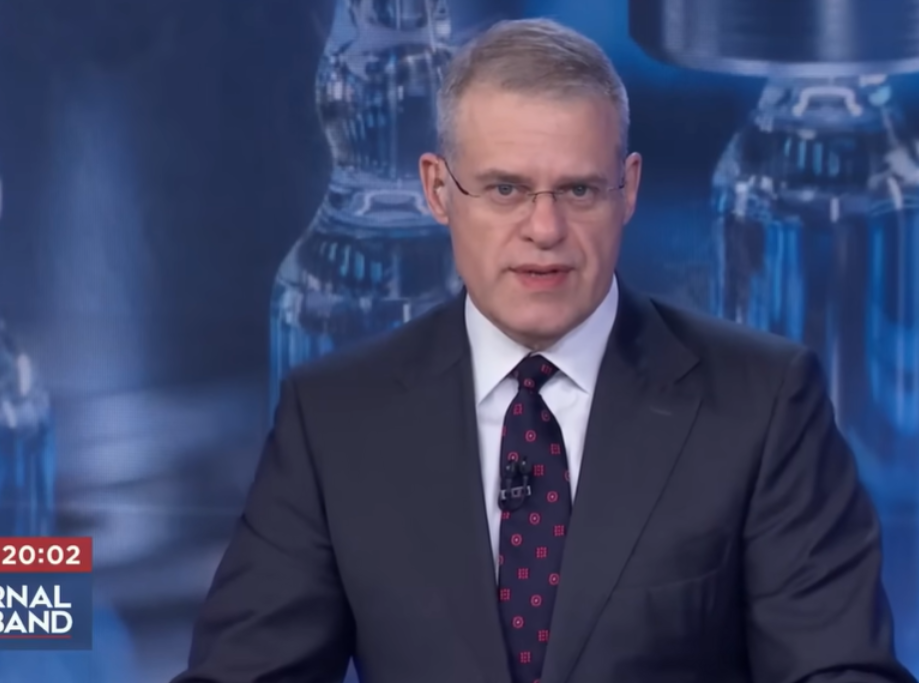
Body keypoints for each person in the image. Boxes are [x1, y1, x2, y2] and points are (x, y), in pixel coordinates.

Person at [171, 17, 916, 683]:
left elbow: (842, 667)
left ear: (628, 190)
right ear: (438, 190)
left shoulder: (764, 403)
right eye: (505, 190)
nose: (544, 229)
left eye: (579, 191)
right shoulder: (334, 420)